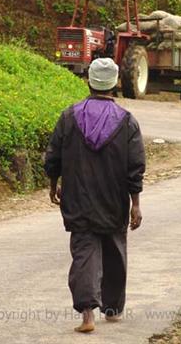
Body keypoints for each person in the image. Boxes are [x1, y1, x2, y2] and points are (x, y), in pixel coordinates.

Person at [44, 58, 145, 333]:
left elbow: (54, 156)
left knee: (84, 252)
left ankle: (88, 315)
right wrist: (135, 204)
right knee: (114, 249)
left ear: (89, 81)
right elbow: (135, 166)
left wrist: (54, 185)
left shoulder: (69, 116)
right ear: (114, 85)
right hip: (114, 199)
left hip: (77, 197)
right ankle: (112, 310)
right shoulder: (126, 121)